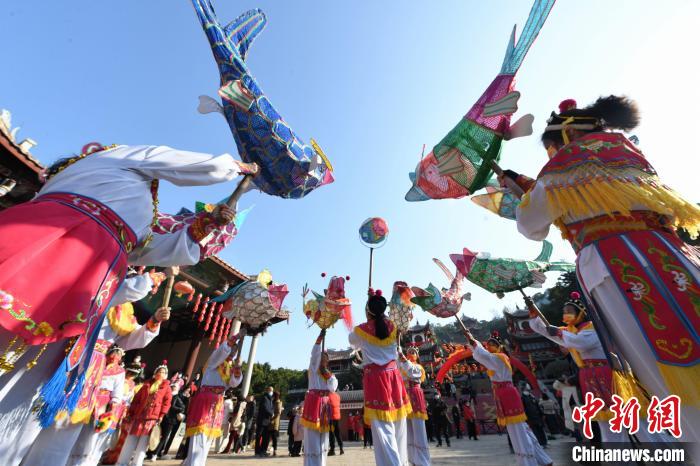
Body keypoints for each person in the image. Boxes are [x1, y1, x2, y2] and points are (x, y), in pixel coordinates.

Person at [507, 95, 700, 443]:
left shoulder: (560, 169)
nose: (550, 156)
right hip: (674, 254)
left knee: (658, 373)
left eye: (550, 148)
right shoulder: (630, 155)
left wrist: (522, 194)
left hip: (614, 266)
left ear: (563, 140)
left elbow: (531, 225)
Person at [464, 331, 552, 466]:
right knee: (521, 428)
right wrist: (473, 342)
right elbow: (483, 356)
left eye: (493, 344)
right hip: (504, 393)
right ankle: (542, 459)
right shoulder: (497, 358)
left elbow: (483, 356)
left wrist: (473, 342)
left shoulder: (500, 357)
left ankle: (527, 462)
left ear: (500, 347)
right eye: (488, 345)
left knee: (517, 430)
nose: (489, 346)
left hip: (506, 393)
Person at [348, 290, 411, 466]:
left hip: (376, 379)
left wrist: (367, 314)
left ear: (368, 311)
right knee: (399, 424)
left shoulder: (361, 330)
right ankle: (402, 462)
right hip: (393, 377)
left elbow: (351, 341)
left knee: (383, 430)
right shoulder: (393, 326)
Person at [182, 332, 244, 466]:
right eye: (231, 349)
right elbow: (221, 351)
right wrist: (234, 338)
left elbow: (233, 383)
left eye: (235, 351)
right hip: (205, 399)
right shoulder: (215, 360)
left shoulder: (229, 368)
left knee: (208, 437)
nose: (232, 352)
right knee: (200, 435)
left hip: (218, 402)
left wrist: (238, 369)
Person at [116, 361, 172, 466]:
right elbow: (136, 399)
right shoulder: (146, 384)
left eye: (163, 372)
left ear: (166, 375)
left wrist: (161, 415)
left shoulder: (167, 388)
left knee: (143, 443)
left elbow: (167, 403)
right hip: (139, 415)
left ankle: (136, 463)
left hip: (152, 417)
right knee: (131, 439)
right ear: (155, 373)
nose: (161, 374)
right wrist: (131, 411)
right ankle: (122, 462)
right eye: (159, 371)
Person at [300, 330, 337, 466]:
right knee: (311, 437)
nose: (323, 359)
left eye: (325, 357)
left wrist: (327, 374)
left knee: (323, 437)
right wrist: (319, 338)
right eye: (321, 356)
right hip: (313, 402)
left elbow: (333, 387)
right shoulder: (313, 367)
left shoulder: (327, 373)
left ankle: (321, 463)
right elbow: (314, 352)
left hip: (325, 405)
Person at [101, 362, 145, 464]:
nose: (132, 376)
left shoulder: (133, 384)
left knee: (119, 434)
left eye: (134, 375)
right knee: (107, 429)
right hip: (115, 407)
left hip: (124, 410)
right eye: (131, 373)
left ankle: (112, 456)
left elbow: (130, 398)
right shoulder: (120, 379)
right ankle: (102, 453)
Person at [398, 347, 430, 466]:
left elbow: (411, 371)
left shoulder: (419, 368)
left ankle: (423, 461)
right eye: (409, 352)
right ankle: (412, 460)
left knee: (419, 431)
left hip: (415, 395)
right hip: (404, 397)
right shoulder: (402, 366)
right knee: (408, 432)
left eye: (413, 352)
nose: (411, 354)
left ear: (417, 355)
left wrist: (404, 359)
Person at [149, 381, 189, 460]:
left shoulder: (177, 397)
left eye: (174, 387)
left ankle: (155, 454)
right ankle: (151, 452)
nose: (172, 388)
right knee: (156, 435)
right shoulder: (166, 395)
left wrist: (172, 408)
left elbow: (182, 408)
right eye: (172, 386)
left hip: (171, 420)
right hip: (162, 418)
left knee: (164, 437)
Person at [255, 386, 276, 457]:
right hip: (262, 420)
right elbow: (265, 408)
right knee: (259, 436)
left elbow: (270, 408)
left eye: (272, 391)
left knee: (266, 437)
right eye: (271, 390)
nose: (272, 392)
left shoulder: (270, 399)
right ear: (267, 390)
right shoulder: (265, 398)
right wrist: (271, 413)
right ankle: (257, 451)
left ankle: (263, 451)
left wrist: (272, 412)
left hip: (267, 421)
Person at [327, 389, 343, 456]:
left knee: (332, 434)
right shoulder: (337, 396)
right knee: (338, 433)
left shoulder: (328, 396)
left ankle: (332, 450)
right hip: (337, 417)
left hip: (331, 418)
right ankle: (341, 448)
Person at [270, 390, 284, 456]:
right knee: (272, 436)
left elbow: (278, 413)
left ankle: (275, 450)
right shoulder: (273, 401)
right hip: (271, 422)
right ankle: (272, 449)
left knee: (274, 437)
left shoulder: (278, 402)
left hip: (274, 422)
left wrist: (272, 418)